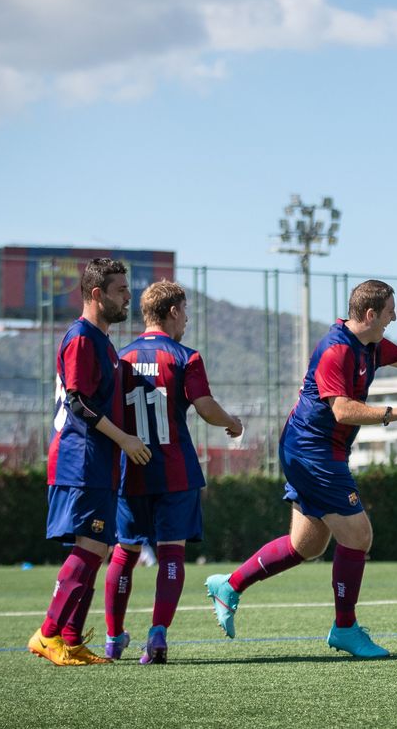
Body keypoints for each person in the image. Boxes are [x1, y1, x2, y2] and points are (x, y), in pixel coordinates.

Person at [204, 279, 397, 658]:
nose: (394, 318)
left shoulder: (369, 345)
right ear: (370, 314)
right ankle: (345, 628)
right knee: (358, 535)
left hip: (321, 451)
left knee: (306, 545)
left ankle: (230, 585)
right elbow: (342, 409)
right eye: (389, 313)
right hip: (312, 452)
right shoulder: (336, 350)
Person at [103, 281, 243, 665]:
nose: (187, 321)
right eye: (185, 313)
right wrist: (232, 422)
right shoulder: (185, 357)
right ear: (174, 312)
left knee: (124, 554)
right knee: (170, 555)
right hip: (175, 472)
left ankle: (113, 639)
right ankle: (158, 633)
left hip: (131, 470)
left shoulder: (121, 358)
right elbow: (205, 407)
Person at [28, 258, 152, 668]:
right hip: (79, 460)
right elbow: (78, 403)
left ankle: (70, 639)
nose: (128, 297)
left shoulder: (103, 342)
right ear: (97, 294)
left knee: (95, 548)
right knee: (92, 547)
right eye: (121, 291)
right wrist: (124, 439)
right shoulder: (82, 337)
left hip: (97, 461)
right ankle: (48, 634)